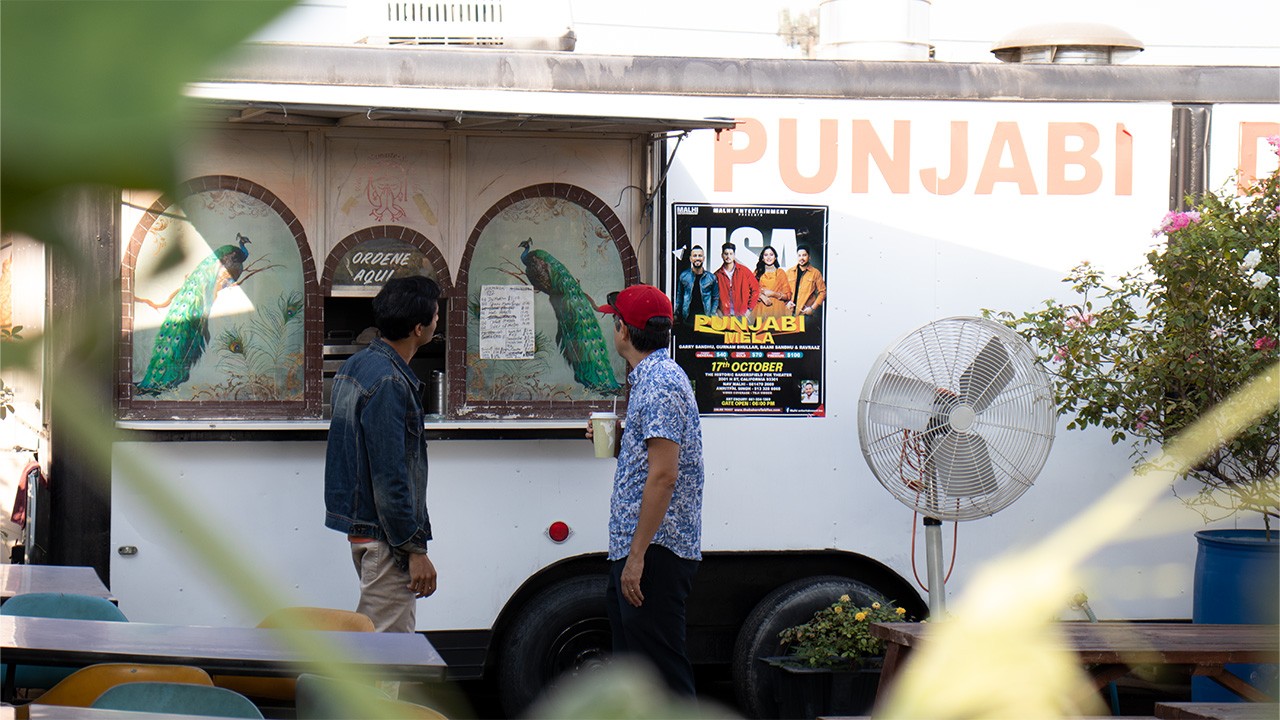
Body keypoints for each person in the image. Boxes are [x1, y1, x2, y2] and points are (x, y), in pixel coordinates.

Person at [589, 284, 705, 696]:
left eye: (613, 319)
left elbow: (664, 476)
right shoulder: (652, 378)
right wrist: (621, 442)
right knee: (638, 678)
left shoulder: (660, 384)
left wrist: (637, 556)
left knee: (660, 677)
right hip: (639, 547)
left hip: (654, 551)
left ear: (623, 329)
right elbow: (654, 459)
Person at [324, 276, 441, 633]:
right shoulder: (389, 381)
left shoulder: (356, 366)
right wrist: (415, 550)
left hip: (365, 531)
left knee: (376, 645)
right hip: (386, 539)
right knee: (387, 660)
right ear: (418, 328)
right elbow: (390, 477)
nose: (440, 320)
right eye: (436, 315)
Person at [674, 245, 719, 324]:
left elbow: (715, 298)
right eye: (695, 256)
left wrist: (712, 315)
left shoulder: (712, 278)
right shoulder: (684, 276)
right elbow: (679, 297)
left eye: (700, 256)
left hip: (705, 319)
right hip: (688, 318)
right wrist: (676, 314)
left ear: (703, 258)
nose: (697, 258)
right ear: (690, 259)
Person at [714, 242, 760, 319]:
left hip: (742, 316)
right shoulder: (716, 275)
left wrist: (749, 310)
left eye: (731, 254)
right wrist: (718, 312)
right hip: (724, 317)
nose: (728, 256)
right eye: (726, 254)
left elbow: (755, 289)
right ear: (722, 255)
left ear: (734, 255)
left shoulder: (744, 271)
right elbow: (713, 297)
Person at [785, 246, 826, 318]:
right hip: (789, 313)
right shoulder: (789, 272)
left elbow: (822, 292)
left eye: (804, 255)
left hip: (805, 314)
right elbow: (782, 290)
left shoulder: (816, 273)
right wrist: (786, 303)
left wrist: (812, 308)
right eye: (799, 255)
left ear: (809, 257)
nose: (801, 258)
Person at [753, 245, 791, 318]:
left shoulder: (780, 272)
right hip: (760, 311)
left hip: (777, 311)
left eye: (771, 254)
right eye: (766, 255)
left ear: (775, 257)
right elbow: (749, 291)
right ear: (762, 258)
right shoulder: (757, 272)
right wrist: (761, 296)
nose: (768, 257)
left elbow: (788, 296)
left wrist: (773, 294)